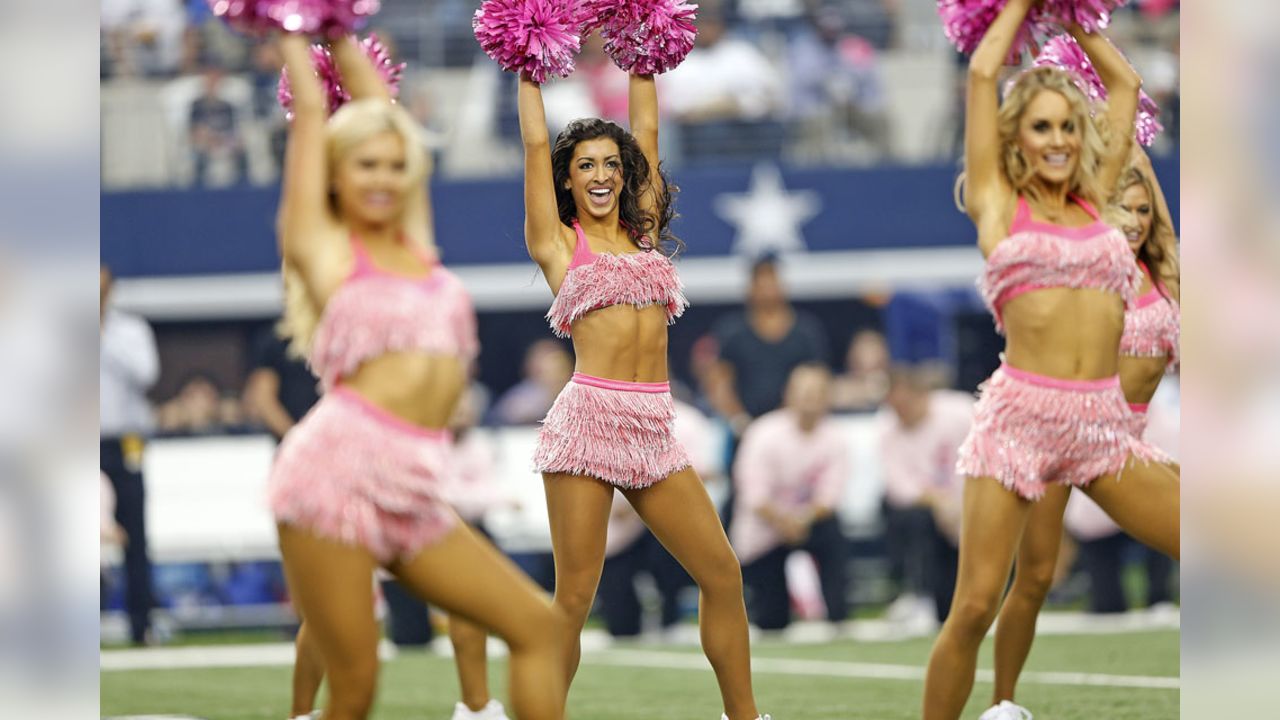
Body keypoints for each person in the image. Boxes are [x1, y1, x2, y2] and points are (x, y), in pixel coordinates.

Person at [269, 31, 565, 720]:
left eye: (394, 166)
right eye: (364, 164)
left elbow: (392, 127)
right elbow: (312, 117)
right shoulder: (324, 249)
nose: (381, 176)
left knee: (537, 629)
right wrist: (291, 28)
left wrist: (341, 27)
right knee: (356, 687)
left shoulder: (416, 244)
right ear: (336, 176)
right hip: (334, 475)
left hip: (413, 483)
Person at [921, 4, 1180, 718]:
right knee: (976, 605)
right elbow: (982, 71)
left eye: (1068, 127)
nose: (1059, 140)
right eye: (1042, 127)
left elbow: (1123, 88)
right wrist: (1018, 7)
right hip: (1020, 422)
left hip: (1103, 429)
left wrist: (1074, 18)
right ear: (1017, 138)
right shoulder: (998, 203)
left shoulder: (1098, 198)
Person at [518, 57, 769, 720]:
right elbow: (536, 141)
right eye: (586, 166)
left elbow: (648, 127)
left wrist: (642, 47)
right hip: (587, 421)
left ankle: (743, 717)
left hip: (654, 426)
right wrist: (528, 67)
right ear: (567, 182)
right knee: (574, 597)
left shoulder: (644, 231)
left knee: (721, 573)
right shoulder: (556, 241)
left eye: (610, 164)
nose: (600, 176)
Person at [985, 147, 1181, 718]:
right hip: (1060, 435)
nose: (1138, 221)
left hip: (1120, 447)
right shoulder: (1092, 271)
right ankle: (1002, 704)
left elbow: (1155, 199)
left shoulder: (1167, 273)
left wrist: (1126, 115)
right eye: (1124, 210)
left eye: (1145, 210)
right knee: (1036, 575)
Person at [730, 363, 850, 632]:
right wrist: (784, 521)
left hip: (810, 521)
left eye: (818, 393)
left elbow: (830, 495)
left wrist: (802, 518)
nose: (811, 400)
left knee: (834, 534)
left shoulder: (834, 438)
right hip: (765, 527)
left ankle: (838, 615)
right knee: (772, 619)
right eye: (805, 392)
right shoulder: (763, 433)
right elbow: (754, 494)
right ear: (789, 394)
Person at [877, 365, 972, 627]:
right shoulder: (887, 427)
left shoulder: (960, 412)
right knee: (905, 514)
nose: (902, 411)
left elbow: (981, 459)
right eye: (896, 405)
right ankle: (918, 594)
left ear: (923, 395)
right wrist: (938, 502)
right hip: (927, 512)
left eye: (907, 403)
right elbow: (899, 486)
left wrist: (959, 505)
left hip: (967, 501)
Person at [99, 264, 160, 646]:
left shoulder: (130, 330)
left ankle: (142, 624)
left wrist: (101, 332)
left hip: (123, 443)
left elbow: (146, 374)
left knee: (135, 534)